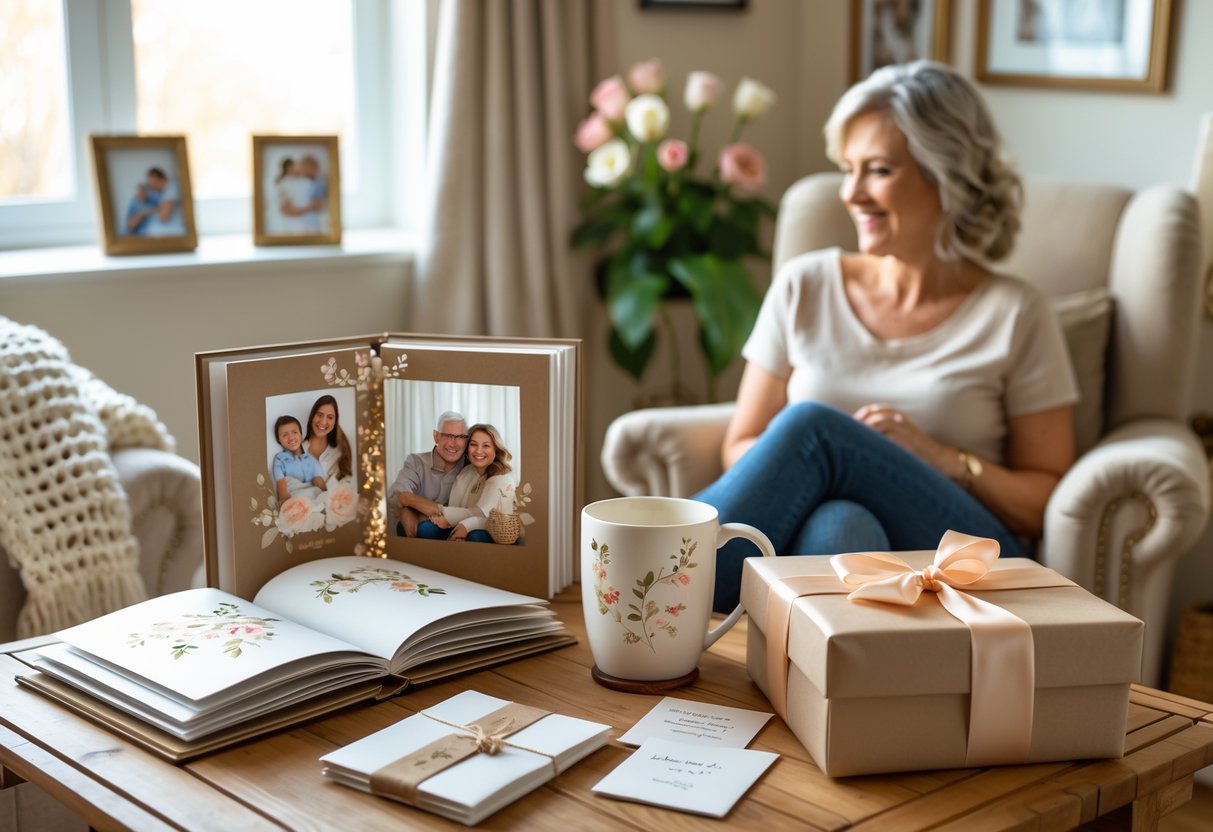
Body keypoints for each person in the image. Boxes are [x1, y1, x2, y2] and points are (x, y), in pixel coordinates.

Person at [695, 61, 1078, 612]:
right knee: (842, 525)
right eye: (847, 169)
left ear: (945, 178)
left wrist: (940, 457)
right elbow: (742, 443)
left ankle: (660, 580)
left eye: (877, 170)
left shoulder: (1016, 313)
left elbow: (1043, 499)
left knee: (814, 428)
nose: (851, 193)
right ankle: (837, 690)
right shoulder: (805, 284)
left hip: (961, 549)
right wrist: (839, 473)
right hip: (837, 539)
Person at [417, 424, 515, 543]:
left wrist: (462, 524)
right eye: (473, 444)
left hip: (490, 528)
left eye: (486, 446)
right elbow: (456, 506)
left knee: (475, 536)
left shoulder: (501, 478)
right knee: (426, 529)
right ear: (467, 448)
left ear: (496, 450)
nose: (479, 451)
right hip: (459, 522)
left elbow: (484, 516)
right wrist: (444, 519)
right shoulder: (466, 473)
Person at [387, 411, 468, 537]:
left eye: (461, 437)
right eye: (447, 435)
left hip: (458, 531)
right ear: (436, 436)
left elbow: (473, 512)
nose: (454, 443)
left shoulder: (471, 466)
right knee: (407, 521)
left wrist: (418, 508)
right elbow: (398, 496)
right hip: (419, 531)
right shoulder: (416, 462)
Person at [271, 415, 327, 502]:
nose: (291, 437)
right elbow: (282, 494)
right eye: (285, 435)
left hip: (314, 498)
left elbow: (322, 489)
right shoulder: (279, 459)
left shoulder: (311, 459)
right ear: (279, 439)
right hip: (295, 501)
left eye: (294, 432)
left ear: (301, 434)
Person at [304, 394, 353, 482]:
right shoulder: (298, 449)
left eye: (330, 417)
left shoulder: (339, 453)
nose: (323, 422)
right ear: (312, 416)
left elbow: (345, 485)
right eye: (319, 415)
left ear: (335, 422)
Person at [140, 167, 185, 237]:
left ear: (156, 178)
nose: (151, 185)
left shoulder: (171, 190)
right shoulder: (163, 192)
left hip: (173, 234)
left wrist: (149, 212)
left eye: (151, 181)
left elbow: (164, 217)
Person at [273, 157, 312, 234]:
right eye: (294, 166)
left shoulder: (300, 181)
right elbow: (287, 208)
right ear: (288, 168)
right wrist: (307, 209)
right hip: (291, 223)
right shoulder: (285, 183)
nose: (297, 168)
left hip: (298, 221)